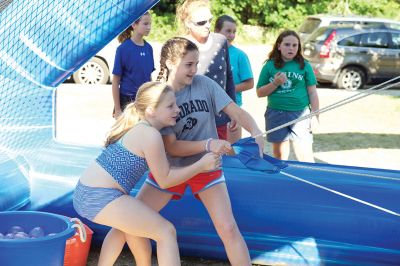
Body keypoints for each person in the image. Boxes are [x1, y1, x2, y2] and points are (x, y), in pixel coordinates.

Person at [102, 37, 264, 266]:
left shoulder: (204, 84)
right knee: (129, 222)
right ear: (170, 63)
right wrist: (209, 144)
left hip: (208, 168)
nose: (194, 70)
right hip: (170, 170)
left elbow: (235, 111)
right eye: (189, 64)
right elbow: (171, 146)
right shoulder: (161, 96)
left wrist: (255, 129)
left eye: (197, 64)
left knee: (228, 228)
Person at [73, 81, 221, 266]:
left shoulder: (142, 128)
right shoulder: (150, 135)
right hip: (100, 196)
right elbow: (165, 180)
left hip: (89, 192)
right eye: (170, 106)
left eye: (175, 104)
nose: (177, 109)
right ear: (151, 110)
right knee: (166, 232)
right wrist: (201, 165)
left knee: (128, 231)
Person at [176, 0, 236, 141]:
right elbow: (172, 83)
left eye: (210, 20)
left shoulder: (220, 41)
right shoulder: (179, 45)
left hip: (219, 116)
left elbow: (229, 78)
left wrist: (233, 111)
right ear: (188, 23)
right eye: (201, 22)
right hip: (190, 118)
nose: (208, 25)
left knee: (218, 159)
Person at [256, 30, 319, 162]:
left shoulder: (305, 65)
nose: (291, 48)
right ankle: (283, 180)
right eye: (287, 44)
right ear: (279, 46)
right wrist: (275, 83)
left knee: (305, 156)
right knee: (280, 156)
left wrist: (315, 115)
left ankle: (309, 180)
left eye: (295, 45)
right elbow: (259, 93)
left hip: (300, 114)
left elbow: (312, 92)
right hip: (276, 113)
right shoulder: (269, 66)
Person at [214, 15, 254, 143]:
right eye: (228, 31)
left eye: (234, 32)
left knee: (231, 149)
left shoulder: (240, 55)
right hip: (210, 110)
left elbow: (250, 83)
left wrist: (225, 90)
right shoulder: (208, 52)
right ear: (216, 31)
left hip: (232, 109)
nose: (231, 35)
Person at [112, 11, 155, 118]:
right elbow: (115, 81)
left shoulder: (149, 48)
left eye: (150, 24)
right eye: (145, 24)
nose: (149, 27)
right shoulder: (123, 49)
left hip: (144, 100)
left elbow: (148, 77)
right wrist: (117, 109)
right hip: (127, 102)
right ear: (134, 25)